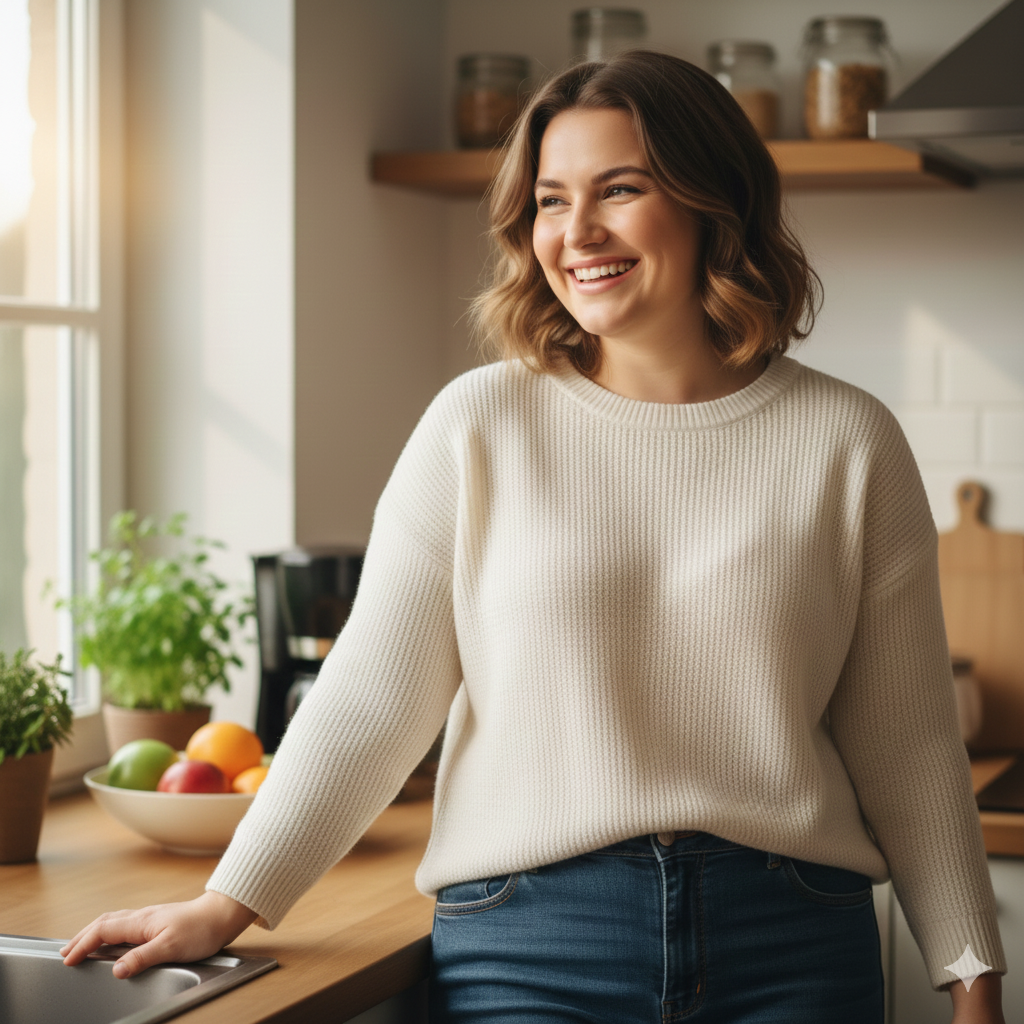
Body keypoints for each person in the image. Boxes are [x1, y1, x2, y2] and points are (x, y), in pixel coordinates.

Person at [61, 51, 1006, 1023]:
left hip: (791, 940)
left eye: (620, 190)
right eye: (550, 200)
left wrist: (974, 977)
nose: (577, 232)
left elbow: (911, 748)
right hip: (534, 941)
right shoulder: (477, 426)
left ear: (711, 202)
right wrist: (228, 901)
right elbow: (370, 701)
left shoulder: (849, 441)